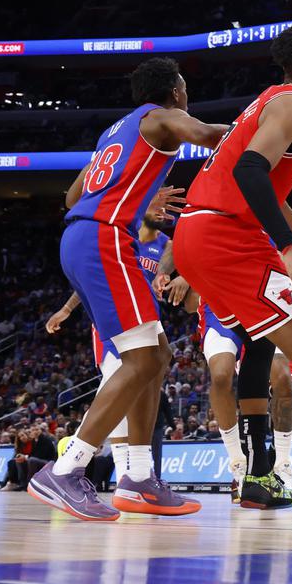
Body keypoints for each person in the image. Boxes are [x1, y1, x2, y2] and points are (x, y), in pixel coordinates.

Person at [172, 26, 292, 525]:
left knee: (259, 347)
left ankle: (259, 479)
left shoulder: (269, 104)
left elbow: (266, 188)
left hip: (196, 237)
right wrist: (289, 251)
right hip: (226, 236)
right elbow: (250, 172)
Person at [31, 57, 224, 521]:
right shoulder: (162, 116)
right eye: (184, 87)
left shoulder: (114, 132)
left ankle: (138, 478)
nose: (186, 96)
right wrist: (267, 127)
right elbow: (207, 135)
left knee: (156, 355)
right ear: (175, 90)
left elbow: (73, 196)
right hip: (104, 238)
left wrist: (132, 202)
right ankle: (66, 469)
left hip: (81, 235)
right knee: (144, 359)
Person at [45, 211, 175, 491]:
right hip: (112, 319)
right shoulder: (121, 237)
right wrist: (67, 309)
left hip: (142, 318)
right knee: (116, 383)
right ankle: (87, 464)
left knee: (138, 380)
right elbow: (96, 275)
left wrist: (165, 273)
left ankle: (130, 473)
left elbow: (174, 253)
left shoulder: (165, 243)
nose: (164, 212)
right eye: (158, 202)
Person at [180, 288, 292, 507]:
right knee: (220, 376)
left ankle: (282, 465)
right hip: (220, 305)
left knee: (284, 380)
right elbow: (188, 304)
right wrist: (185, 278)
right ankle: (239, 464)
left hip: (258, 300)